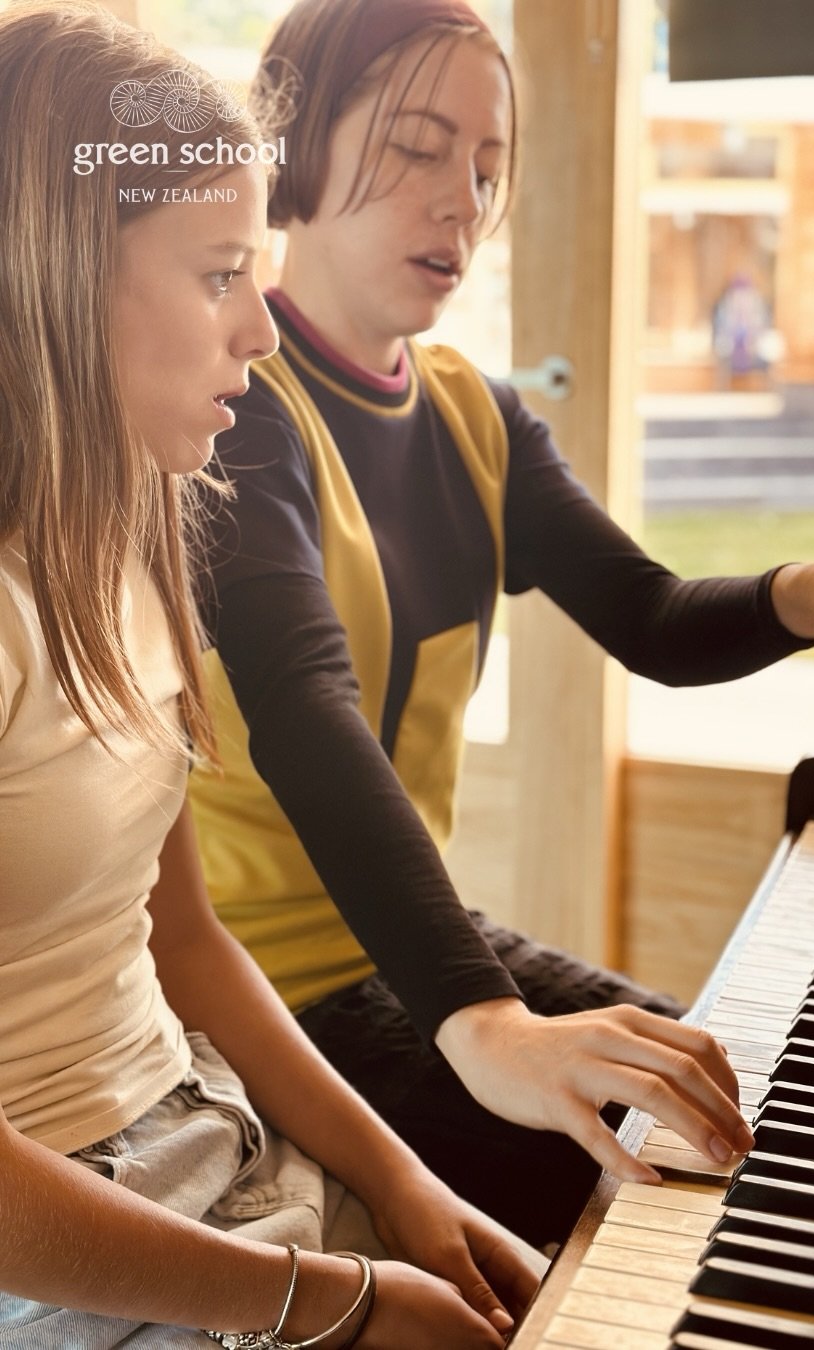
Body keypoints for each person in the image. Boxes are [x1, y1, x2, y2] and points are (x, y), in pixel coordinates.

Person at [189, 0, 814, 1251]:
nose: (463, 202)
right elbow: (308, 710)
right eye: (421, 148)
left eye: (487, 169)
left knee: (738, 1103)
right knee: (674, 1198)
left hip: (413, 947)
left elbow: (650, 616)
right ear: (294, 143)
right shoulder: (232, 413)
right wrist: (485, 1020)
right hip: (266, 991)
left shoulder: (471, 413)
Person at [0, 6, 540, 1347]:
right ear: (57, 277)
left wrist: (403, 1186)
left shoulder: (140, 525)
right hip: (56, 1245)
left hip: (207, 1130)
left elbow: (181, 939)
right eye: (218, 273)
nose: (259, 327)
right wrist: (338, 1303)